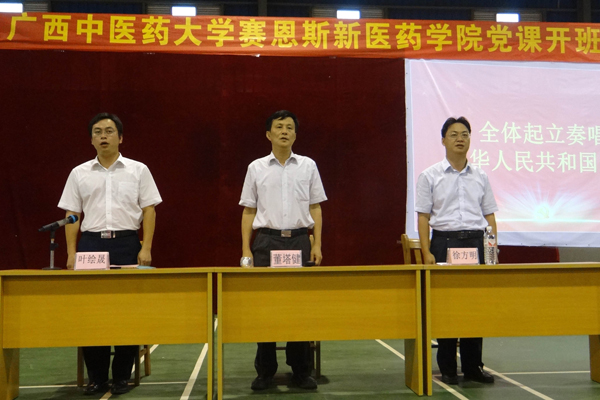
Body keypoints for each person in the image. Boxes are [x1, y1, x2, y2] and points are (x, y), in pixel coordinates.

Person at [58, 113, 162, 395]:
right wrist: (71, 253)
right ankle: (97, 377)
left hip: (127, 243)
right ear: (91, 139)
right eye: (97, 132)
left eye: (109, 131)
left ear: (120, 137)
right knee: (92, 312)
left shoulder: (138, 170)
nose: (103, 136)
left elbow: (149, 210)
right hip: (91, 245)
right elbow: (72, 214)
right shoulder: (79, 173)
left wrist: (146, 247)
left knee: (127, 311)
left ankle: (122, 376)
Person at [239, 110, 327, 391]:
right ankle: (265, 372)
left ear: (295, 135)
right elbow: (248, 211)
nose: (284, 131)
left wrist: (317, 243)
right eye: (279, 127)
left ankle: (301, 371)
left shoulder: (308, 166)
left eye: (289, 127)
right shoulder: (256, 168)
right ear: (269, 134)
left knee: (299, 307)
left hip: (299, 241)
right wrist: (246, 249)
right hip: (266, 242)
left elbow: (316, 207)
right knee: (265, 308)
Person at [415, 116, 498, 385]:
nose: (460, 139)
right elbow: (423, 217)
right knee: (447, 306)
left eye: (465, 134)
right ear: (443, 140)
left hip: (475, 242)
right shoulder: (430, 175)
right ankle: (448, 367)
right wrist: (426, 251)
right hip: (444, 243)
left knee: (475, 306)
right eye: (453, 134)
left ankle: (473, 366)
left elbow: (489, 215)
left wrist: (492, 250)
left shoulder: (480, 176)